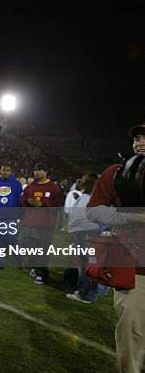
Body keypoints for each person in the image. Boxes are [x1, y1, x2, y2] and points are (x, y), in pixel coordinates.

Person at [86, 122, 145, 373]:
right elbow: (94, 211)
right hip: (134, 267)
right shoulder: (118, 173)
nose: (139, 142)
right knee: (133, 334)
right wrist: (131, 216)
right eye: (137, 138)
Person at [20, 163, 64, 284]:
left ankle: (41, 274)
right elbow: (22, 201)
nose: (36, 173)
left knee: (43, 250)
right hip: (30, 223)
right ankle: (35, 267)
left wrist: (43, 204)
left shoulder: (53, 188)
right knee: (31, 249)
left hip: (45, 225)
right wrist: (28, 201)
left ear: (45, 172)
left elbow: (58, 206)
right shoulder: (31, 186)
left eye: (39, 170)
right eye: (35, 170)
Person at [65, 173, 103, 304]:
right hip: (84, 233)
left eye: (84, 180)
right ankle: (88, 291)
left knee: (86, 264)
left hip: (86, 234)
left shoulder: (91, 198)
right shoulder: (88, 196)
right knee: (87, 264)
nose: (80, 181)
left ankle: (85, 293)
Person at [0, 164, 23, 269]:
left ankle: (19, 259)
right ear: (0, 171)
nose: (5, 172)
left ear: (11, 172)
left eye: (8, 170)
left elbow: (20, 201)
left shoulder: (16, 184)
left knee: (11, 240)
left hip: (10, 218)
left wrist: (20, 215)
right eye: (3, 170)